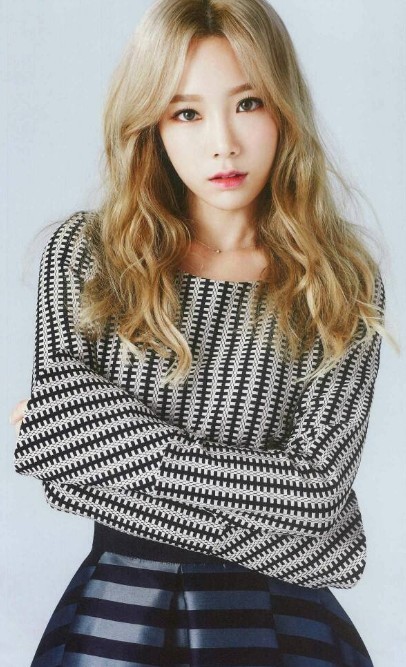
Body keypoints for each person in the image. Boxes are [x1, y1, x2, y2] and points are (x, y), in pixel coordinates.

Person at [10, 0, 395, 665]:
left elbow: (315, 495)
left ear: (284, 109)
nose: (223, 142)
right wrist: (308, 545)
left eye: (248, 103)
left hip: (283, 627)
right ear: (151, 125)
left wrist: (91, 438)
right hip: (119, 618)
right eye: (186, 113)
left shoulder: (340, 283)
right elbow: (64, 483)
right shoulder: (89, 256)